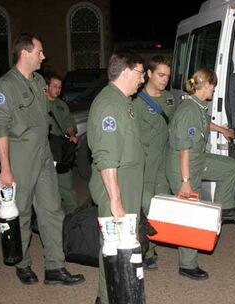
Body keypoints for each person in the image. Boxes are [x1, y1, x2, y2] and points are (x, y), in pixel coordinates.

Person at [0, 33, 84, 285]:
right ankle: (22, 263)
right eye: (39, 52)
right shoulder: (4, 85)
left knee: (52, 209)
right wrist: (5, 169)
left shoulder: (39, 80)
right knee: (21, 211)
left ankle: (55, 266)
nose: (43, 56)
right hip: (19, 155)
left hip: (43, 154)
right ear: (25, 53)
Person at [166, 68, 235, 280]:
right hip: (184, 166)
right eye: (213, 86)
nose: (214, 90)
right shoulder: (188, 109)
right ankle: (187, 265)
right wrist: (186, 182)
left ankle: (224, 208)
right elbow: (183, 150)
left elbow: (204, 123)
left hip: (198, 160)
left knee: (230, 167)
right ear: (205, 84)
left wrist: (222, 130)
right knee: (190, 215)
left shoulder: (197, 105)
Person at [87, 51, 145, 304]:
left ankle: (117, 294)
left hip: (127, 185)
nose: (143, 79)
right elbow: (106, 156)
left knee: (123, 244)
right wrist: (115, 199)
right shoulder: (110, 104)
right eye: (141, 73)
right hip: (116, 187)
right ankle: (107, 297)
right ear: (126, 72)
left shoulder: (122, 101)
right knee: (111, 246)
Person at [134, 55, 177, 270]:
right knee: (142, 204)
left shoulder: (169, 98)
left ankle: (151, 247)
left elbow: (177, 126)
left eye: (168, 76)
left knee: (158, 205)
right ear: (148, 74)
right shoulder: (135, 99)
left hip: (163, 161)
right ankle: (144, 249)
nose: (165, 79)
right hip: (142, 162)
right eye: (161, 74)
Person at [45, 73, 80, 215]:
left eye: (60, 87)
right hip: (44, 148)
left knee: (66, 184)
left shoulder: (61, 105)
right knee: (46, 187)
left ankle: (74, 216)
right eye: (54, 86)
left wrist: (71, 135)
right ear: (46, 87)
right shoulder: (39, 103)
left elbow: (69, 123)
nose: (58, 90)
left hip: (59, 149)